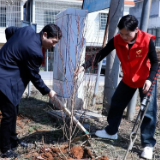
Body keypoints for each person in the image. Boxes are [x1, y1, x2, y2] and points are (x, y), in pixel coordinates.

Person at [75, 15, 158, 160]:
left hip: (146, 79)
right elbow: (102, 53)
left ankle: (148, 145)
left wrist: (150, 80)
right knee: (116, 103)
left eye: (128, 34)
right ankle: (111, 131)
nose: (124, 37)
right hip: (128, 79)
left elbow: (156, 63)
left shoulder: (146, 40)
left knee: (148, 112)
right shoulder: (117, 39)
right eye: (122, 33)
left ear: (136, 30)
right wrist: (84, 66)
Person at [0, 24, 62, 158]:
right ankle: (5, 149)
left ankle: (13, 140)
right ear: (45, 35)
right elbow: (35, 77)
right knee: (8, 114)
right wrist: (48, 91)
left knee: (14, 109)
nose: (53, 45)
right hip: (3, 79)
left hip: (7, 74)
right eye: (53, 41)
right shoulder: (35, 52)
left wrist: (12, 48)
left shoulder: (26, 30)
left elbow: (9, 30)